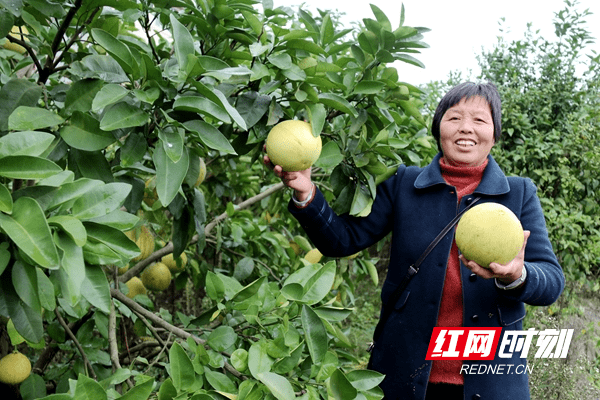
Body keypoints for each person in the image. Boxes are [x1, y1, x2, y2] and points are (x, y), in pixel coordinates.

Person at [264, 81, 564, 399]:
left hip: (490, 382)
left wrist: (517, 275)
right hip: (407, 373)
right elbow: (342, 240)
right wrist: (306, 193)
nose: (466, 128)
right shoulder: (405, 184)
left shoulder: (518, 193)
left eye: (479, 120)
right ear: (438, 128)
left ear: (494, 132)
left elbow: (551, 281)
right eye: (454, 118)